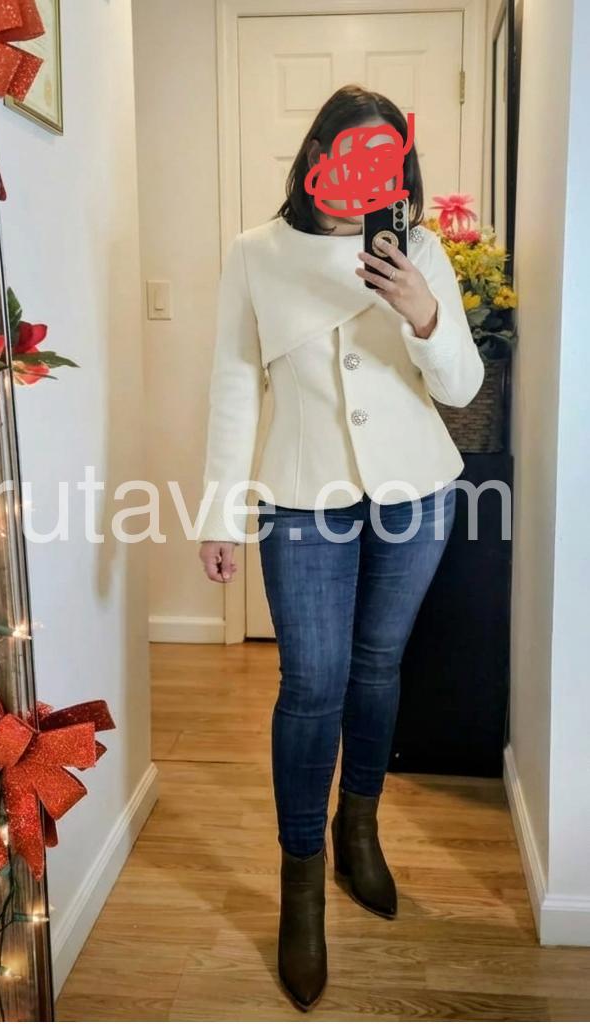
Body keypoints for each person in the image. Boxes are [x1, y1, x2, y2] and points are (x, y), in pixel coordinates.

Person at [197, 85, 484, 1011]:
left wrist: (423, 312)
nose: (366, 170)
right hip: (300, 496)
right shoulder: (255, 252)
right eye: (349, 149)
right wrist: (218, 511)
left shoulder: (417, 249)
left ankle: (358, 830)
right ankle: (301, 886)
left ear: (400, 164)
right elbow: (233, 385)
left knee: (377, 669)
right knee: (310, 685)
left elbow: (459, 387)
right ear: (318, 152)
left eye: (384, 155)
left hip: (415, 492)